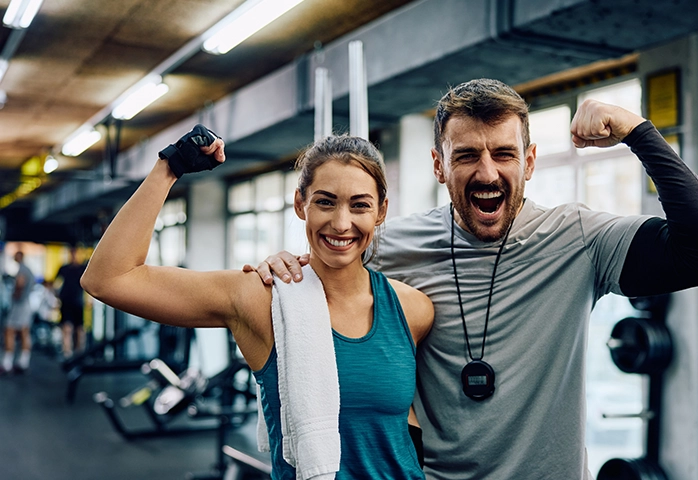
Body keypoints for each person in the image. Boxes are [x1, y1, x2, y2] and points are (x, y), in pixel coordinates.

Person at [249, 78, 698, 479]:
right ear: (440, 165)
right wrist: (287, 268)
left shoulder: (579, 238)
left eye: (504, 154)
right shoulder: (390, 245)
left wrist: (639, 132)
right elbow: (331, 254)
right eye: (466, 155)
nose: (487, 172)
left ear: (528, 162)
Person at [80, 126, 433, 479]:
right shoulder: (261, 297)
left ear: (381, 211)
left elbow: (402, 424)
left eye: (360, 206)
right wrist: (169, 167)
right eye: (325, 202)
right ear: (300, 205)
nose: (342, 223)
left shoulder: (412, 309)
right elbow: (108, 279)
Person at [2, 251, 37, 374]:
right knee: (24, 331)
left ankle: (7, 363)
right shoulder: (27, 269)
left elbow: (20, 284)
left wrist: (14, 296)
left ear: (20, 256)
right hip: (25, 304)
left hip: (20, 305)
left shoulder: (23, 269)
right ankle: (23, 361)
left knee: (9, 330)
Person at [55, 246, 88, 358]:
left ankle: (79, 353)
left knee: (79, 328)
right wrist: (57, 296)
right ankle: (67, 353)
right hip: (66, 301)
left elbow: (89, 284)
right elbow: (56, 283)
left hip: (78, 302)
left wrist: (89, 299)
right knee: (67, 327)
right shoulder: (64, 268)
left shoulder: (83, 268)